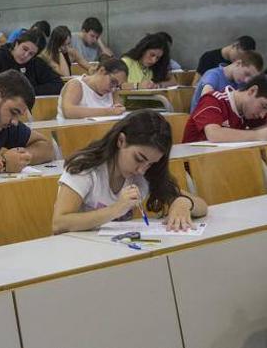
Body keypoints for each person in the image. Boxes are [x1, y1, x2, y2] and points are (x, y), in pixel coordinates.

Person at [52, 109, 208, 234]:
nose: (141, 170)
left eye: (150, 164)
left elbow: (202, 206)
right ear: (121, 141)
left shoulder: (145, 174)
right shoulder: (85, 167)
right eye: (138, 159)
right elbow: (59, 223)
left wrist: (182, 203)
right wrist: (116, 209)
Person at [0, 29, 63, 96]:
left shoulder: (35, 63)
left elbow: (58, 84)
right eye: (24, 49)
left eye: (31, 54)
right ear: (16, 44)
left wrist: (28, 92)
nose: (26, 55)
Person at [182, 74, 267, 143]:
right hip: (194, 160)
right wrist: (257, 135)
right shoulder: (213, 100)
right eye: (263, 106)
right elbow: (214, 134)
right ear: (252, 91)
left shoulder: (250, 112)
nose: (262, 115)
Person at [189, 51, 263, 112]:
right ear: (238, 63)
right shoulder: (213, 75)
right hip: (203, 120)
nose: (247, 80)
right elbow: (206, 101)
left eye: (251, 78)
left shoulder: (241, 82)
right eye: (246, 74)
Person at [57, 58, 128, 119]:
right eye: (113, 81)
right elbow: (69, 111)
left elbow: (117, 112)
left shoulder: (113, 91)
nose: (113, 89)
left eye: (117, 86)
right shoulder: (77, 85)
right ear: (102, 71)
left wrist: (120, 110)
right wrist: (108, 111)